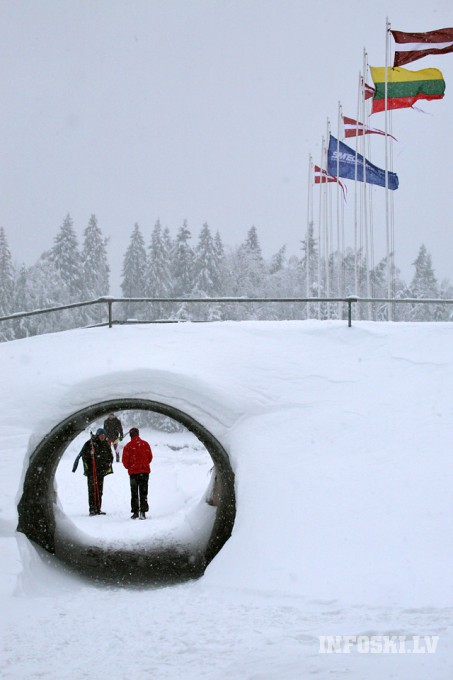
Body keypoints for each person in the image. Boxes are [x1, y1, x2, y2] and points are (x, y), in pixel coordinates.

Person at [75, 428, 113, 516]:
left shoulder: (106, 444)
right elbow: (84, 456)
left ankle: (98, 508)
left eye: (104, 435)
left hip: (101, 471)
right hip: (92, 471)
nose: (102, 437)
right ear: (98, 435)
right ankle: (92, 509)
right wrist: (90, 454)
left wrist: (107, 466)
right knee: (92, 490)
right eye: (101, 435)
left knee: (99, 490)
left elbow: (110, 457)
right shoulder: (90, 443)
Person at [122, 427, 153, 520]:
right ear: (138, 434)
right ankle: (143, 512)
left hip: (133, 473)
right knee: (143, 492)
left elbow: (125, 461)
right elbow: (150, 457)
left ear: (130, 435)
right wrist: (144, 464)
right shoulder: (145, 444)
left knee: (134, 492)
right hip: (144, 472)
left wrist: (130, 467)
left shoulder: (128, 446)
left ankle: (135, 512)